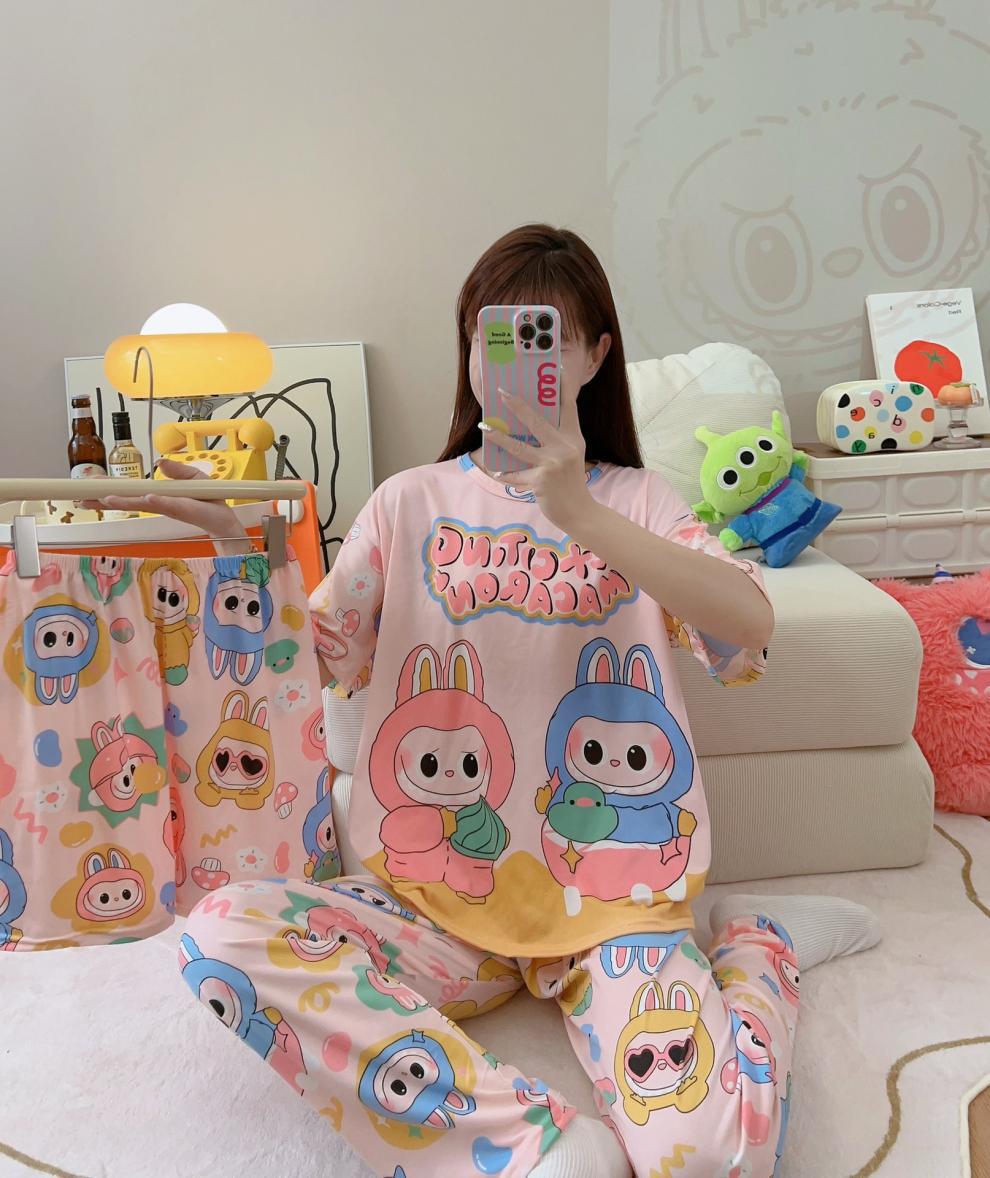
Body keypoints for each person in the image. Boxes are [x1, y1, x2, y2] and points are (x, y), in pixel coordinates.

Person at [97, 225, 880, 1178]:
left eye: (548, 336)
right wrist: (238, 548)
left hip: (615, 902)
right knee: (220, 936)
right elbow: (323, 657)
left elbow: (747, 628)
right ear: (468, 348)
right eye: (492, 334)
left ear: (594, 355)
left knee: (712, 1161)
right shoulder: (407, 501)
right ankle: (530, 1144)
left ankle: (757, 944)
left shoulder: (642, 502)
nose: (514, 358)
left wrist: (577, 511)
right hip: (433, 903)